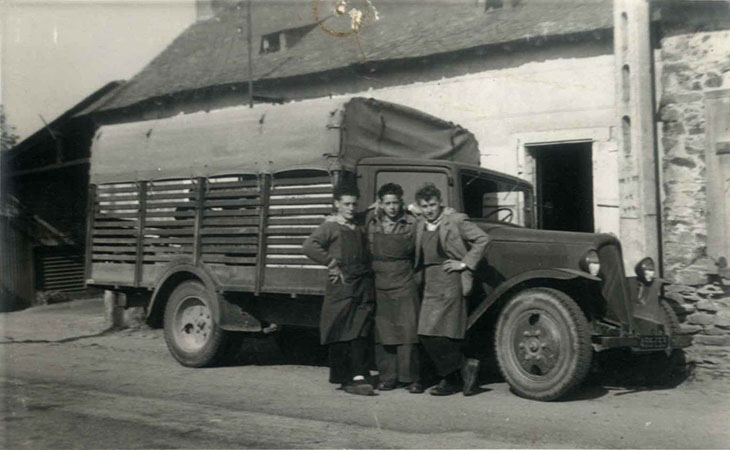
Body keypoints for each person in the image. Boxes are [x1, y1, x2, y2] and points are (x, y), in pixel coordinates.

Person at [413, 182, 489, 396]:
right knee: (426, 334)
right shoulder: (419, 223)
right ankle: (464, 368)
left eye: (433, 205)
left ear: (440, 203)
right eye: (424, 206)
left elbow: (483, 239)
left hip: (450, 280)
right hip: (429, 283)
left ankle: (450, 380)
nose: (429, 210)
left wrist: (464, 263)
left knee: (445, 334)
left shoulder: (455, 220)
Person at [302, 183, 376, 396]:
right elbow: (309, 246)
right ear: (337, 205)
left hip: (362, 285)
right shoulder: (330, 226)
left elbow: (373, 209)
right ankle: (344, 377)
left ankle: (360, 375)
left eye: (354, 203)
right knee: (339, 328)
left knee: (360, 330)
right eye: (346, 204)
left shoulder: (359, 224)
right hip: (341, 285)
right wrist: (331, 263)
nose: (351, 208)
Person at [366, 183, 423, 394]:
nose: (392, 207)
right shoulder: (372, 222)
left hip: (405, 281)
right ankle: (387, 377)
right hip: (380, 282)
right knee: (384, 332)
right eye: (387, 203)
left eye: (395, 203)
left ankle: (412, 378)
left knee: (409, 331)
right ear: (380, 204)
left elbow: (420, 250)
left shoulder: (412, 222)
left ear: (401, 202)